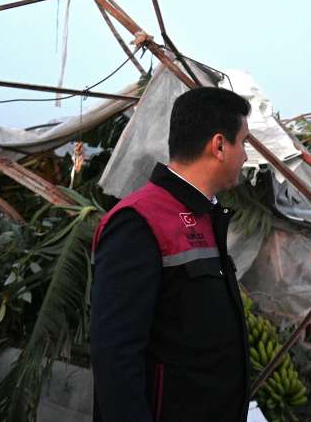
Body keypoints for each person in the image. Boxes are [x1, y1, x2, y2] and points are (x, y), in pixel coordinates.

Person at [91, 86, 252, 422]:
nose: (246, 156)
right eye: (244, 143)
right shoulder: (138, 221)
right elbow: (115, 359)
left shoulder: (206, 215)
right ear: (219, 146)